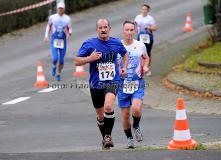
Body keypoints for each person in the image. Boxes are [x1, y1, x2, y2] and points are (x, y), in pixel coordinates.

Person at [74, 18, 128, 149]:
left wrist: (124, 68)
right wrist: (89, 58)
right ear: (97, 29)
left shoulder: (116, 42)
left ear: (109, 28)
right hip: (96, 83)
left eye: (105, 27)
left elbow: (125, 54)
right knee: (100, 115)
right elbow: (76, 61)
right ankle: (105, 138)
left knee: (108, 107)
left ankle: (108, 136)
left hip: (112, 81)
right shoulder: (89, 43)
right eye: (100, 28)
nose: (103, 30)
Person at [118, 21, 149, 149]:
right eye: (127, 30)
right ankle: (129, 139)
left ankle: (136, 126)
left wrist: (146, 66)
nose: (129, 33)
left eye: (131, 30)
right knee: (125, 115)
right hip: (122, 84)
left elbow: (146, 57)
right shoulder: (117, 45)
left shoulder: (140, 45)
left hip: (137, 82)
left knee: (136, 108)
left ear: (135, 31)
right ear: (123, 30)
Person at [44, 2, 72, 81]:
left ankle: (58, 74)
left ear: (64, 9)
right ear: (57, 9)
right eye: (59, 8)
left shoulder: (67, 18)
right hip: (54, 39)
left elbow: (70, 28)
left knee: (62, 61)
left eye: (61, 8)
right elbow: (48, 26)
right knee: (55, 58)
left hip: (63, 40)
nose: (60, 10)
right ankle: (53, 66)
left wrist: (69, 34)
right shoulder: (52, 17)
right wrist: (46, 36)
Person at [135, 3, 156, 76]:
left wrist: (149, 27)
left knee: (147, 53)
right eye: (143, 9)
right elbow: (134, 26)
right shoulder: (138, 17)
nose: (144, 11)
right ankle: (140, 68)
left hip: (148, 37)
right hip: (140, 37)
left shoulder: (150, 18)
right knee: (140, 53)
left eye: (145, 9)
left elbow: (154, 28)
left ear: (148, 10)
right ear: (141, 10)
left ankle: (147, 68)